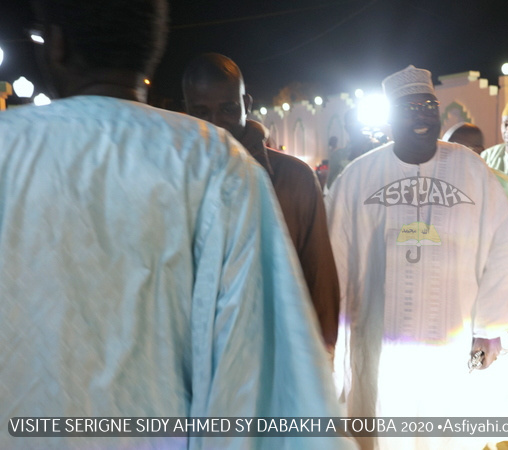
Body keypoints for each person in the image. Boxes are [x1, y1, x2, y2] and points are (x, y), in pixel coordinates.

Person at [1, 1, 352, 448]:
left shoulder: (7, 150)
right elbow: (248, 379)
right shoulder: (215, 164)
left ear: (56, 45)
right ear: (150, 49)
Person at [326, 65, 508, 449]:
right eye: (409, 108)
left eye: (428, 106)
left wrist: (488, 328)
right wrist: (333, 330)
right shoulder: (357, 178)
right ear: (389, 120)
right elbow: (336, 257)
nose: (421, 116)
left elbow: (502, 246)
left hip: (451, 341)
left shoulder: (473, 172)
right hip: (380, 341)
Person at [182, 53, 340, 352]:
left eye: (228, 109)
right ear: (186, 111)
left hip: (277, 356)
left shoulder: (294, 179)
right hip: (200, 360)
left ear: (247, 105)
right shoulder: (173, 182)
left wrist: (323, 356)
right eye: (202, 112)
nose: (217, 125)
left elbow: (318, 277)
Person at [444, 121, 508, 197]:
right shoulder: (442, 181)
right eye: (445, 150)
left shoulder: (502, 186)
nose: (448, 157)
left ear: (478, 151)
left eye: (457, 151)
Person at [326, 108, 378, 189]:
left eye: (359, 124)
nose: (357, 129)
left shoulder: (376, 151)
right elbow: (331, 186)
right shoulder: (338, 156)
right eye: (353, 124)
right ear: (346, 128)